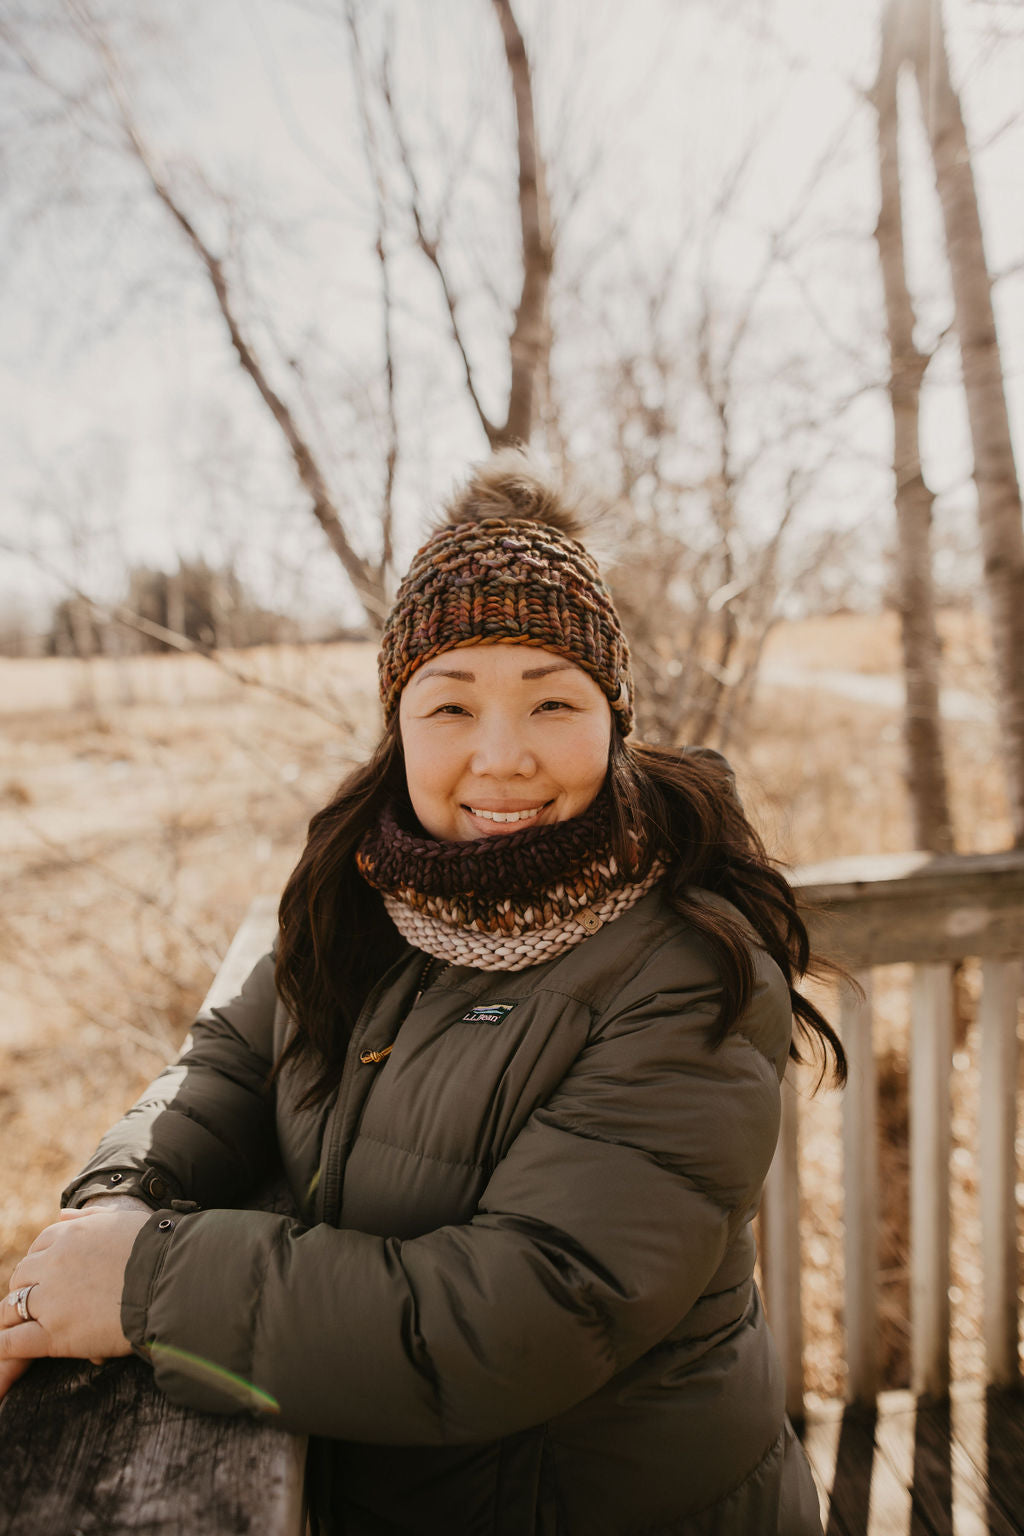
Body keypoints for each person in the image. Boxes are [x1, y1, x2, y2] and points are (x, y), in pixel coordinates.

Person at [1, 451, 844, 1535]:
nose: (502, 758)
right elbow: (229, 1060)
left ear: (615, 719)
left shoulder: (683, 970)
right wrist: (124, 1195)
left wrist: (147, 1282)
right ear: (398, 724)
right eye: (450, 707)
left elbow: (526, 1311)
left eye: (552, 701)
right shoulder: (357, 899)